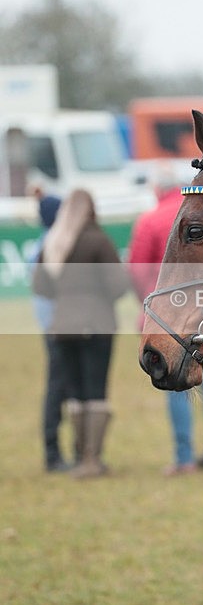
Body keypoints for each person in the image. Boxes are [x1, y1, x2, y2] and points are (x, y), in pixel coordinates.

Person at [127, 166, 203, 474]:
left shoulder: (150, 219)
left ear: (156, 188)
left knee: (174, 385)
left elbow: (136, 269)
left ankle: (185, 458)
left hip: (167, 320)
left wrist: (148, 305)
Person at [32, 189, 130, 479]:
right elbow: (117, 285)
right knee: (95, 391)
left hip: (62, 326)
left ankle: (78, 455)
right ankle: (91, 458)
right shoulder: (97, 240)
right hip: (96, 325)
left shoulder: (53, 241)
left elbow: (40, 286)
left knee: (74, 392)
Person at [29, 192, 69, 472]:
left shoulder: (39, 246)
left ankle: (53, 450)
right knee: (58, 389)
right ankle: (53, 452)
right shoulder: (54, 247)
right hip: (60, 327)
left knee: (58, 388)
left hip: (50, 326)